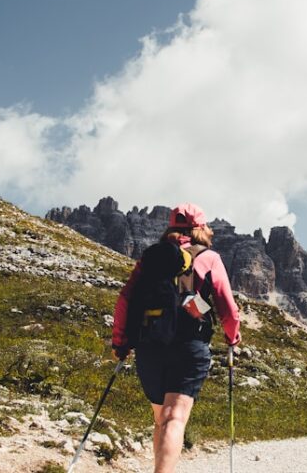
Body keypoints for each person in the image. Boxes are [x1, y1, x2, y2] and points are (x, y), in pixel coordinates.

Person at [111, 203, 241, 473]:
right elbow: (227, 308)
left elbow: (125, 299)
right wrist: (232, 339)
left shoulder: (151, 258)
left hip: (150, 345)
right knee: (175, 418)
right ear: (199, 229)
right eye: (206, 227)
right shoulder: (209, 258)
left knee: (161, 419)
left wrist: (121, 343)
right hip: (189, 344)